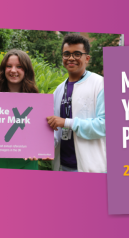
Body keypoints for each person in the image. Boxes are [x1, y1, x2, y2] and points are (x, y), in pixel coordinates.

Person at [46, 34, 106, 173]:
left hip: (90, 168)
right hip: (61, 166)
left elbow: (104, 126)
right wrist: (46, 148)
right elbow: (54, 129)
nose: (71, 58)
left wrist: (67, 122)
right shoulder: (59, 90)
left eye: (77, 54)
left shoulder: (100, 84)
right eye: (66, 54)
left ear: (87, 58)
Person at [0, 49, 39, 170]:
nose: (13, 70)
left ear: (27, 70)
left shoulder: (36, 100)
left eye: (19, 66)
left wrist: (37, 148)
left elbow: (38, 133)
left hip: (26, 163)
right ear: (3, 69)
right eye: (9, 66)